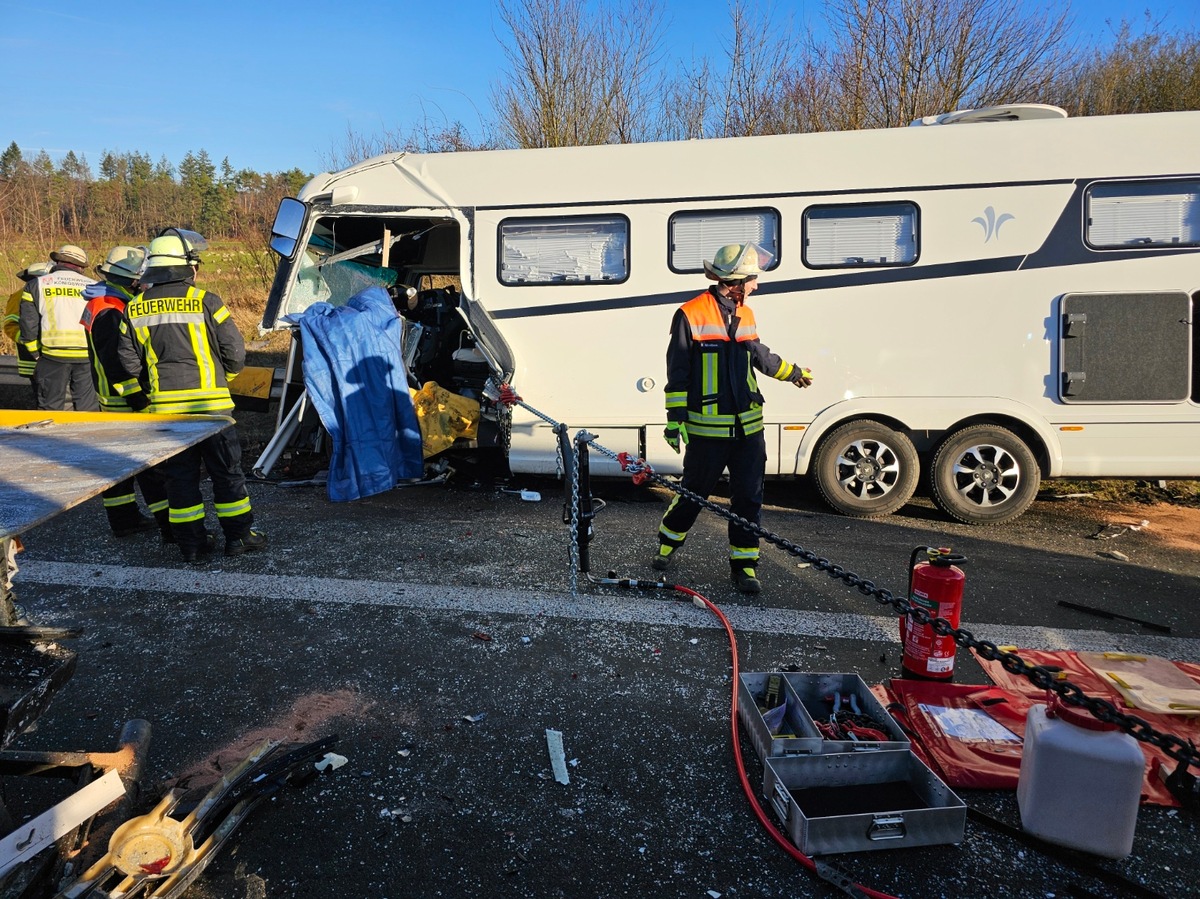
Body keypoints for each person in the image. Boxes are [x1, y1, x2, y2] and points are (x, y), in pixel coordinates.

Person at [650, 243, 812, 594]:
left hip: (748, 428)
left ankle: (745, 566)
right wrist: (674, 418)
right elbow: (678, 371)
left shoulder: (746, 314)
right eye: (752, 279)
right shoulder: (690, 314)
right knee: (694, 493)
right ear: (735, 281)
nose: (756, 285)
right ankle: (666, 545)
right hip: (707, 429)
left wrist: (793, 372)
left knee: (749, 498)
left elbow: (759, 355)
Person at [113, 228, 267, 562]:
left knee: (179, 480)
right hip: (211, 410)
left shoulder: (134, 309)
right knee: (227, 474)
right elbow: (235, 352)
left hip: (167, 413)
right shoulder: (206, 300)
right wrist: (223, 377)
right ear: (186, 266)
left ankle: (192, 545)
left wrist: (151, 386)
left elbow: (126, 361)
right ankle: (239, 537)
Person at [81, 245, 170, 539]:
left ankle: (125, 519)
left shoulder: (106, 301)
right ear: (132, 279)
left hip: (112, 398)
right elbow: (116, 361)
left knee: (120, 464)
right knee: (149, 465)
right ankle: (166, 521)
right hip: (123, 400)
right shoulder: (110, 309)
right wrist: (137, 397)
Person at [17, 244, 99, 411]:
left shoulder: (36, 285)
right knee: (87, 409)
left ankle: (48, 438)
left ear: (56, 262)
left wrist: (35, 353)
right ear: (81, 267)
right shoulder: (94, 286)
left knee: (49, 407)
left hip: (51, 355)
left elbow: (28, 324)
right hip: (86, 356)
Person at [5, 261, 52, 402]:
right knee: (44, 399)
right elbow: (11, 326)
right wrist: (29, 340)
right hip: (32, 361)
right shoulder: (19, 296)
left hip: (54, 358)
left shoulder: (50, 295)